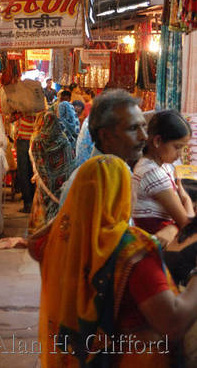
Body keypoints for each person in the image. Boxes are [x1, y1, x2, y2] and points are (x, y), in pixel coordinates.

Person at [29, 155, 197, 367]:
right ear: (123, 195)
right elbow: (172, 322)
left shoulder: (60, 242)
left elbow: (34, 242)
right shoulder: (131, 248)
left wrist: (74, 212)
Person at [58, 89, 148, 206]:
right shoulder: (94, 183)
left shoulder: (117, 171)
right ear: (105, 135)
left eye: (143, 126)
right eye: (132, 128)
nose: (144, 136)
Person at [133, 110, 193, 235]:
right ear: (157, 141)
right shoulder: (152, 173)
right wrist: (186, 199)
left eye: (183, 148)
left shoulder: (160, 165)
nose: (180, 154)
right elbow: (187, 225)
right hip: (157, 246)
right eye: (177, 147)